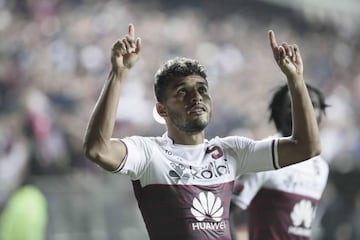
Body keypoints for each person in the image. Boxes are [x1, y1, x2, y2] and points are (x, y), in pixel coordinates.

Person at [83, 23, 321, 240]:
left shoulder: (232, 152)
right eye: (181, 92)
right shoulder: (149, 154)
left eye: (202, 89)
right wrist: (118, 74)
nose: (196, 97)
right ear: (161, 109)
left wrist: (296, 79)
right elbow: (97, 149)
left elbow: (306, 147)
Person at [230, 83, 329, 240]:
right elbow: (225, 213)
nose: (305, 108)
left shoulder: (321, 167)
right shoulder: (263, 155)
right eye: (293, 104)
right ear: (279, 112)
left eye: (313, 104)